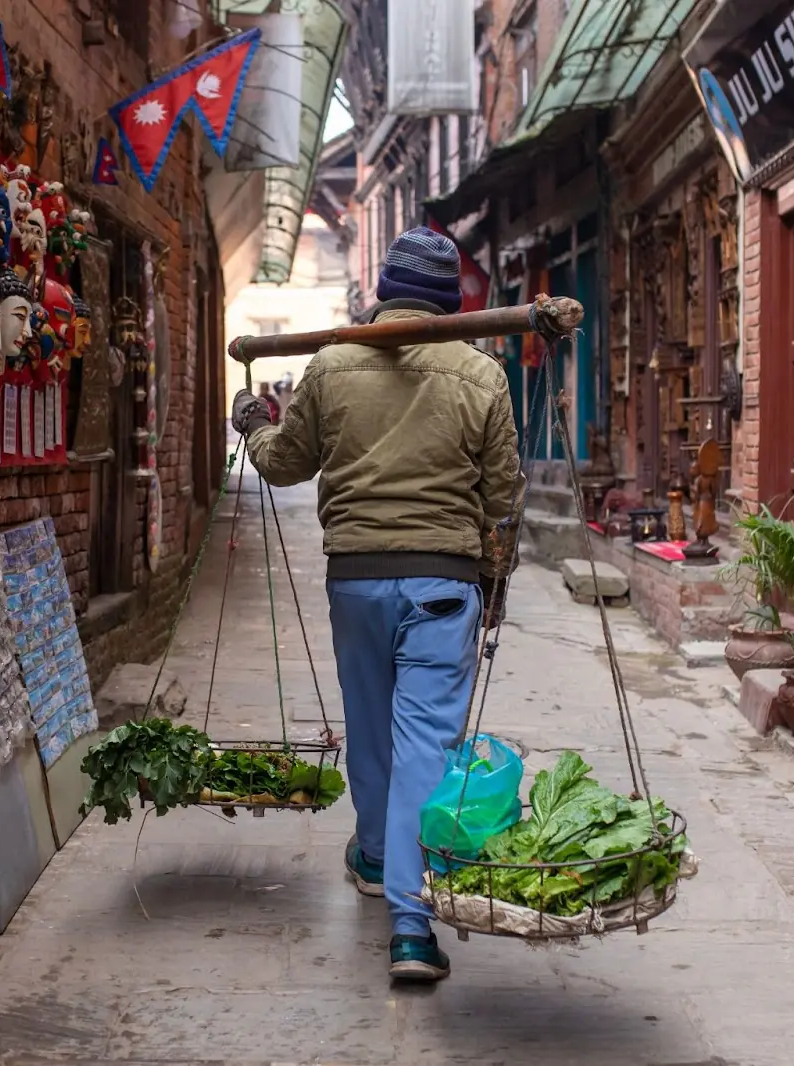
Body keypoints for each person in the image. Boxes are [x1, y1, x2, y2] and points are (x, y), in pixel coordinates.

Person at [231, 227, 521, 982]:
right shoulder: (480, 373)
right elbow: (502, 499)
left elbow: (285, 465)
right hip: (440, 583)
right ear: (450, 301)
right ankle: (413, 925)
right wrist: (493, 574)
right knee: (423, 741)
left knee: (371, 729)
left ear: (382, 294)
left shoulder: (332, 366)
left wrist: (254, 425)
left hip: (356, 580)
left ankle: (374, 853)